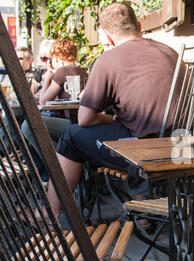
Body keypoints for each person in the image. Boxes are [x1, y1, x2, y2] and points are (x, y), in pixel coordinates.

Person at [36, 2, 185, 228]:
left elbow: (85, 119)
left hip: (139, 149)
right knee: (114, 131)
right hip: (177, 145)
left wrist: (110, 118)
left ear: (108, 37)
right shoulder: (171, 52)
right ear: (139, 25)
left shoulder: (109, 59)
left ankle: (50, 218)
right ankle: (141, 206)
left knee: (71, 135)